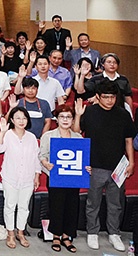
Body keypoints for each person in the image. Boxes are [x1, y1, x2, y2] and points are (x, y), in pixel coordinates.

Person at [73, 81, 136, 252]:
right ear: (98, 97)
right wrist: (78, 115)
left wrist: (131, 162)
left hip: (118, 166)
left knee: (115, 203)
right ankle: (92, 232)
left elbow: (128, 140)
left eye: (112, 97)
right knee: (93, 202)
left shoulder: (123, 114)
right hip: (95, 165)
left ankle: (113, 233)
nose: (109, 100)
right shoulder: (91, 112)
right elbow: (77, 131)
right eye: (106, 97)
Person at [0, 107, 41, 249]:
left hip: (28, 177)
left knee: (24, 207)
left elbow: (35, 158)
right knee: (10, 206)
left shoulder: (31, 138)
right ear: (12, 120)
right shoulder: (7, 135)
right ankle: (10, 233)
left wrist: (37, 175)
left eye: (24, 118)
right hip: (10, 176)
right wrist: (1, 132)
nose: (21, 121)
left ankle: (21, 232)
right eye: (18, 118)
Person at [39, 104, 85, 253]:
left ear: (72, 120)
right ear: (56, 119)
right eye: (62, 117)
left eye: (68, 117)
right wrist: (46, 163)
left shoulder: (78, 137)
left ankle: (67, 236)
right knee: (57, 207)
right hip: (55, 177)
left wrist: (87, 167)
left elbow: (83, 158)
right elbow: (42, 155)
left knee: (72, 206)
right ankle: (56, 236)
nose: (65, 120)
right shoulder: (49, 135)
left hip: (73, 178)